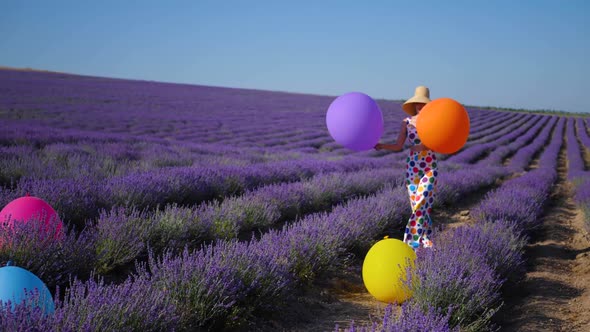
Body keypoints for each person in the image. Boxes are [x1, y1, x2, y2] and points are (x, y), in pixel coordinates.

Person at [374, 86, 438, 250]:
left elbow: (440, 143)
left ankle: (411, 244)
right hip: (413, 165)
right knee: (417, 205)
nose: (420, 106)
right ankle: (425, 240)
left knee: (422, 201)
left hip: (429, 164)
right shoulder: (406, 122)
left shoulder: (434, 121)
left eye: (423, 103)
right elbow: (398, 145)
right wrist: (382, 146)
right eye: (418, 103)